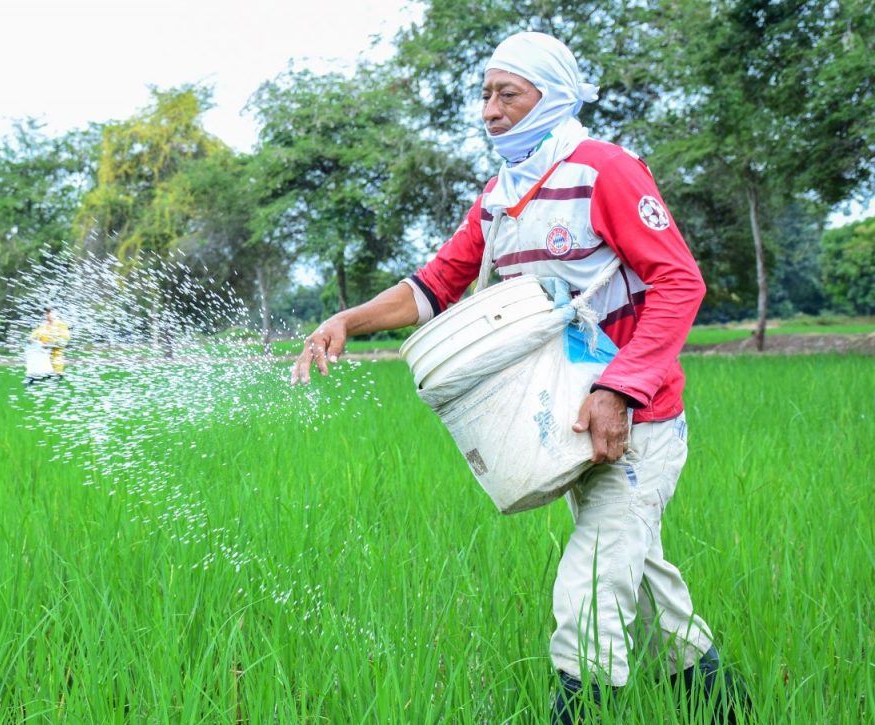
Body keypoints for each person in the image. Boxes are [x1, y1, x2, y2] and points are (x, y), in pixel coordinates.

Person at [291, 31, 747, 723]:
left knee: (591, 588)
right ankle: (728, 708)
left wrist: (619, 389)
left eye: (509, 94)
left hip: (637, 423)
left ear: (554, 96)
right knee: (645, 587)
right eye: (484, 94)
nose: (490, 110)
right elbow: (436, 284)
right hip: (565, 424)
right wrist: (347, 321)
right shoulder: (500, 195)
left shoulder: (605, 171)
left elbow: (679, 281)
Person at [26, 307, 70, 384]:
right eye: (46, 313)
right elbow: (32, 336)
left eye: (49, 312)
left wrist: (49, 345)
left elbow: (63, 341)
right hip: (42, 364)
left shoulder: (61, 325)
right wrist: (31, 340)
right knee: (32, 384)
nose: (47, 315)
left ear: (56, 314)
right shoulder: (43, 326)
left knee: (53, 387)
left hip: (55, 363)